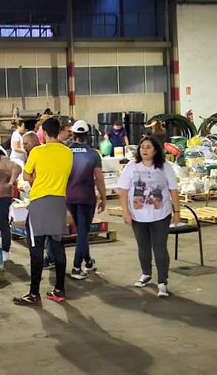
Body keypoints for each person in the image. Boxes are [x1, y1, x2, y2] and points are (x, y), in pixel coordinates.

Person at [17, 117, 73, 306]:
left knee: (36, 249)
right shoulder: (68, 153)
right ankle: (59, 289)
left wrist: (36, 178)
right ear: (59, 132)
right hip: (59, 203)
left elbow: (26, 175)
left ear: (45, 133)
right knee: (57, 247)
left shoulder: (37, 152)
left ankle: (34, 293)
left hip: (39, 203)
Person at [117, 134, 180, 297]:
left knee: (159, 247)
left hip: (161, 214)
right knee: (143, 247)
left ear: (155, 150)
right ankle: (146, 273)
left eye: (148, 147)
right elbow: (123, 191)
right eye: (142, 147)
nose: (144, 150)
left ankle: (162, 282)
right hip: (138, 216)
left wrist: (177, 211)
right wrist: (125, 212)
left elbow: (173, 189)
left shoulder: (164, 166)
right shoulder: (132, 166)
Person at [66, 120, 107, 281]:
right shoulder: (93, 154)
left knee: (82, 229)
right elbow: (99, 178)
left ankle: (88, 261)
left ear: (74, 135)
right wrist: (103, 198)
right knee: (83, 231)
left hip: (69, 197)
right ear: (87, 135)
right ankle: (77, 266)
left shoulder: (67, 152)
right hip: (86, 197)